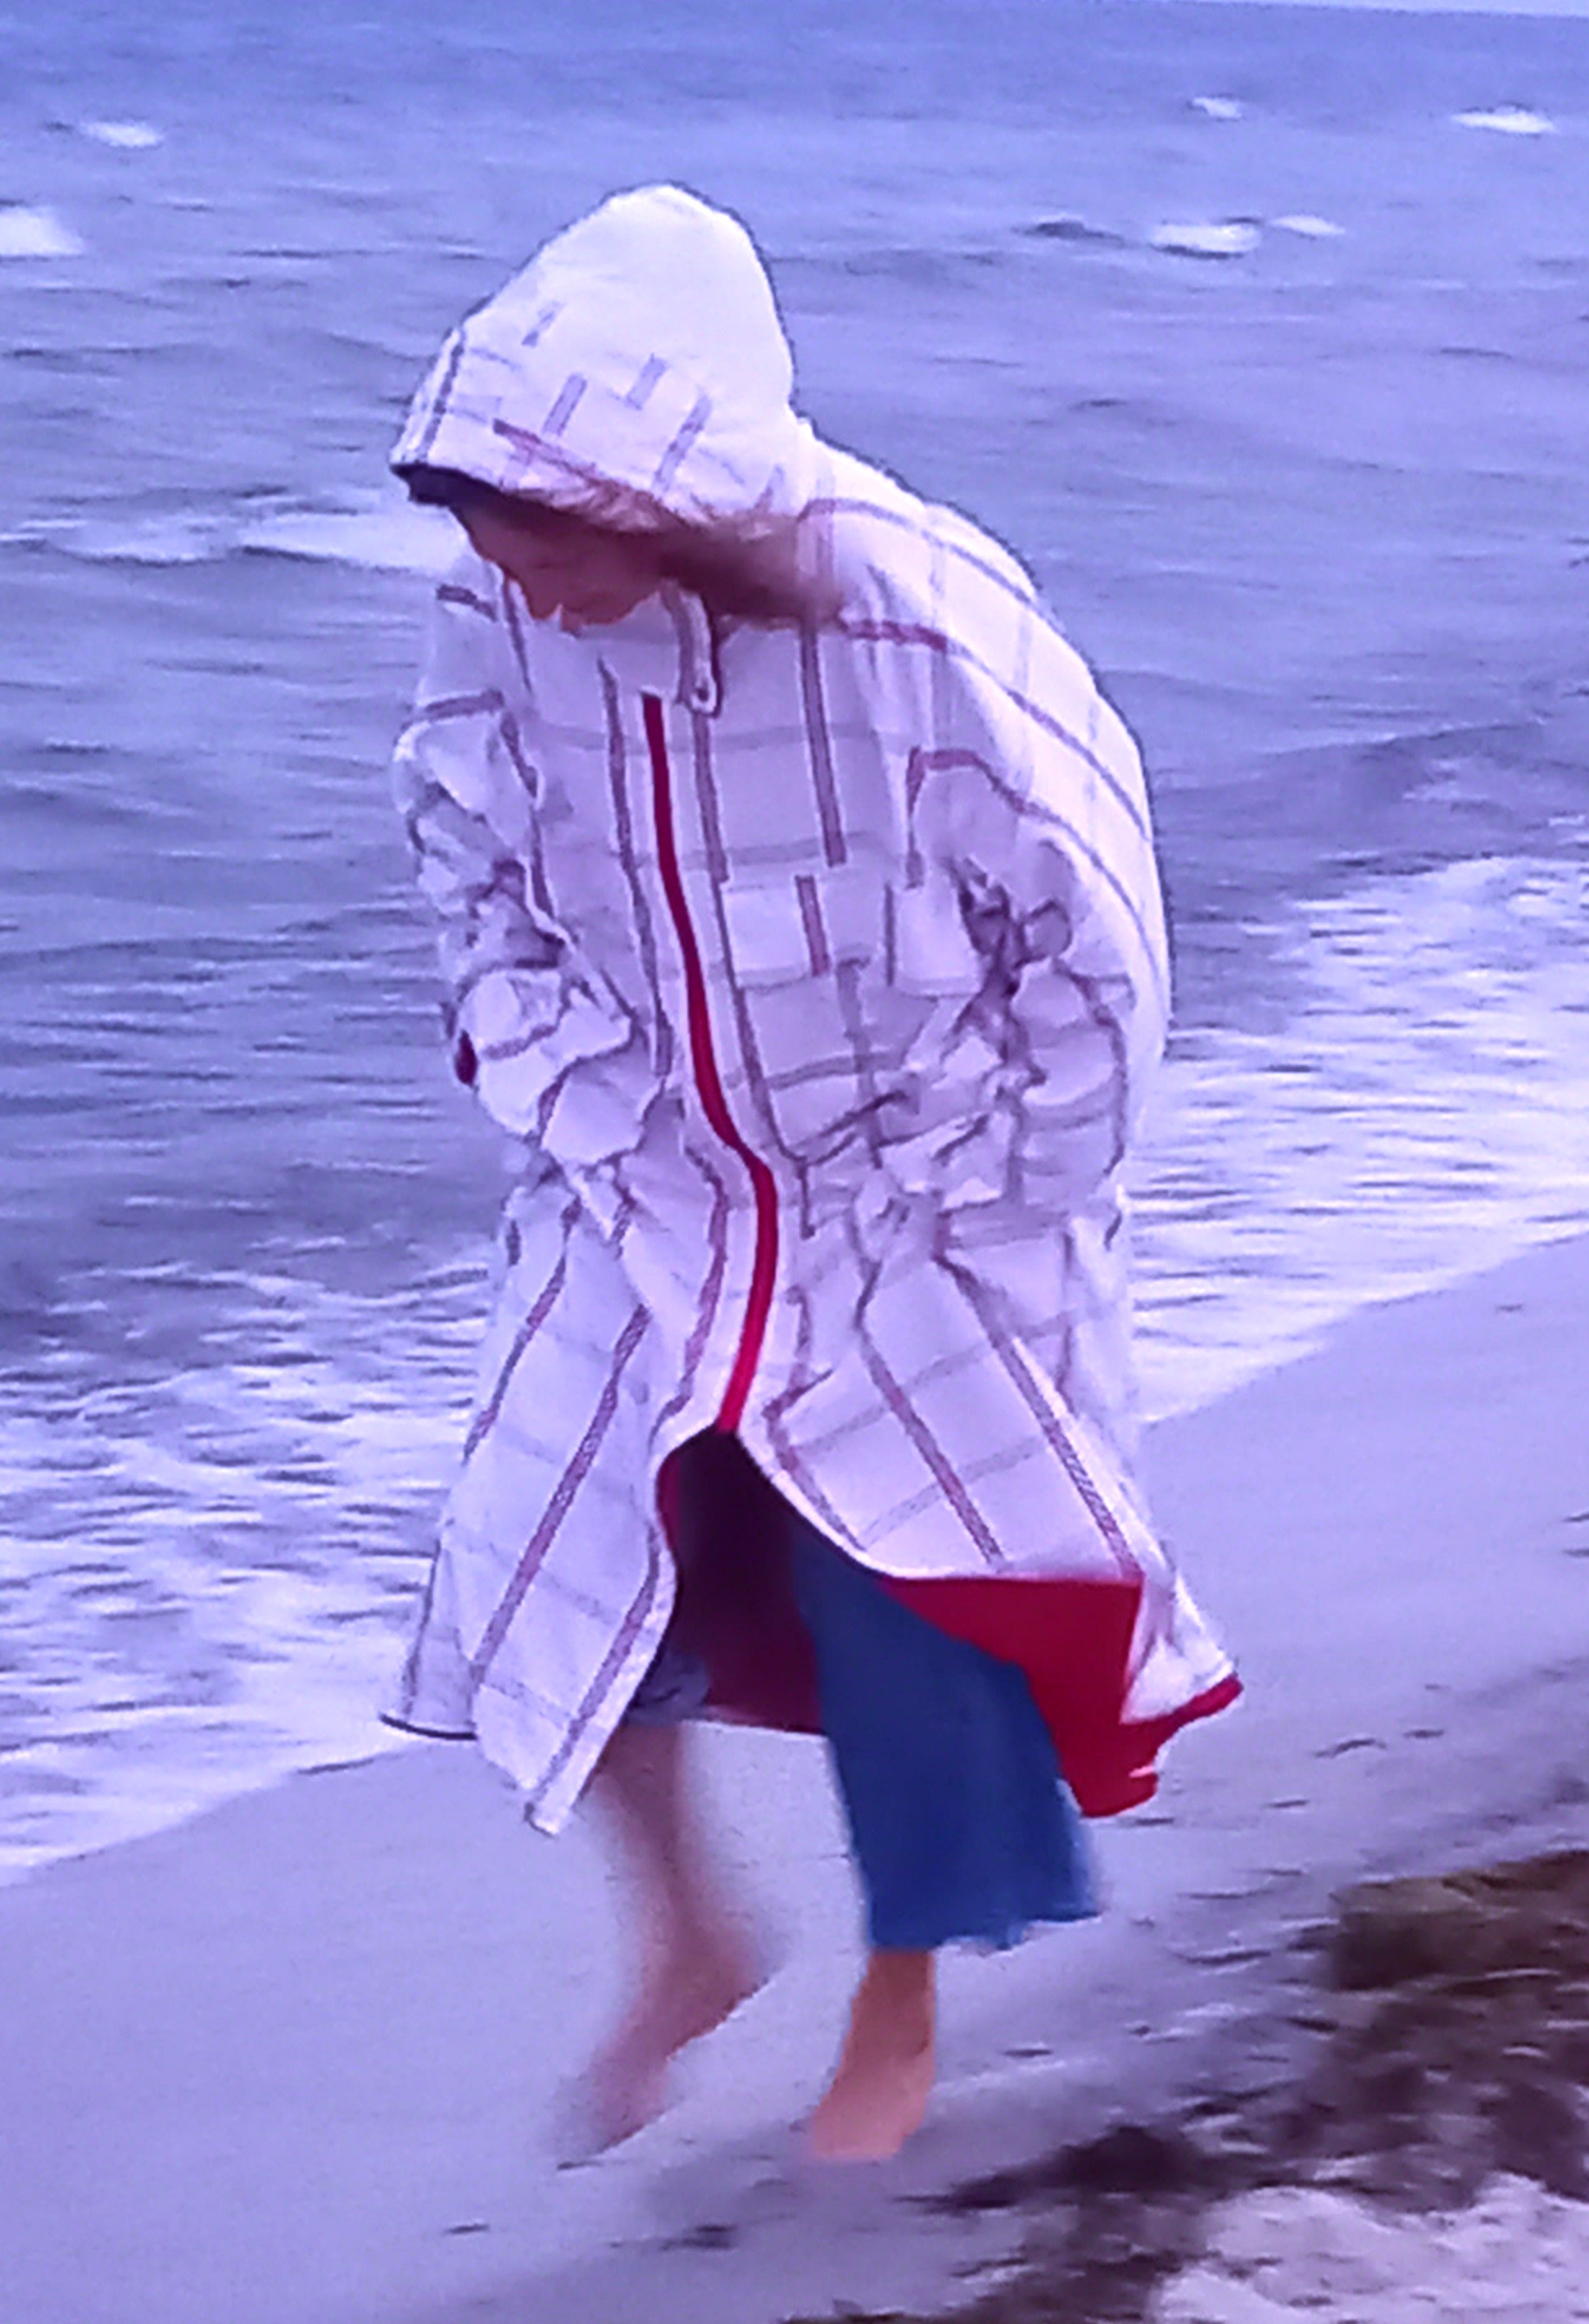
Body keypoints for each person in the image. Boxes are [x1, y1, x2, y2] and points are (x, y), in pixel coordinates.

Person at [383, 184, 1238, 2164]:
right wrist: (581, 1100)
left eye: (552, 530)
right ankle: (686, 1936)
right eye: (485, 533)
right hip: (653, 1172)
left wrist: (987, 1189)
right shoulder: (501, 612)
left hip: (918, 1194)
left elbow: (1099, 936)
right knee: (553, 1538)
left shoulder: (918, 612)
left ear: (667, 492)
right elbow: (464, 858)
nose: (519, 577)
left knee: (911, 1592)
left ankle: (899, 1996)